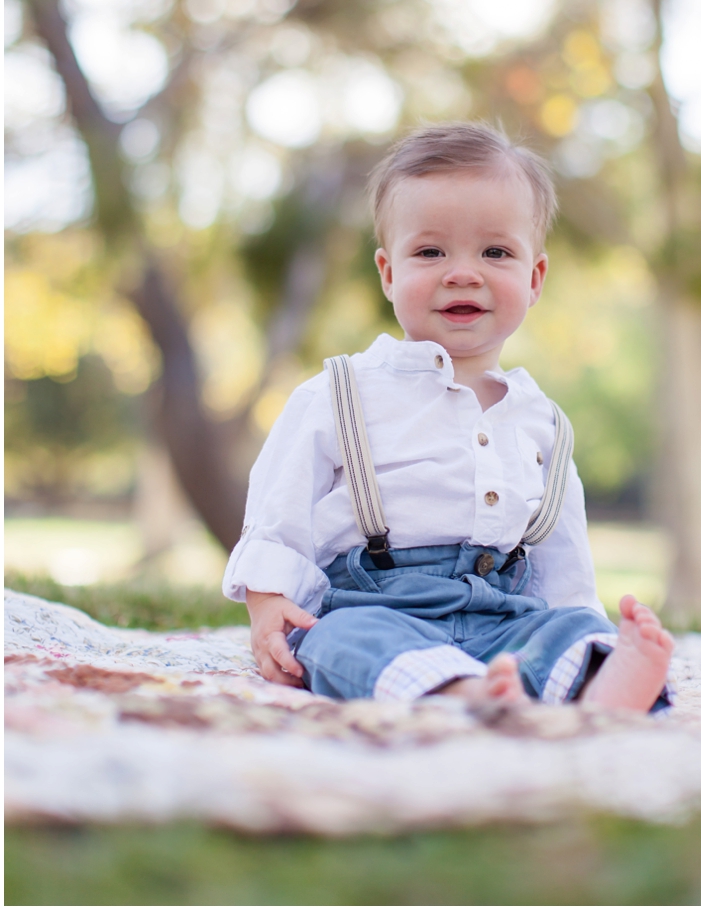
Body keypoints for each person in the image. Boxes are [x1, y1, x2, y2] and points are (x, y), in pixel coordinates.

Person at [223, 122, 673, 711]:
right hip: (377, 608)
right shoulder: (341, 391)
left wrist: (580, 623)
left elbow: (562, 559)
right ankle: (464, 693)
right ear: (389, 273)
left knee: (565, 632)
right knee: (332, 641)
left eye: (496, 252)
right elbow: (280, 504)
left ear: (534, 278)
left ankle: (597, 683)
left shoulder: (542, 422)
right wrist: (268, 600)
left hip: (503, 618)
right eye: (430, 252)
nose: (463, 272)